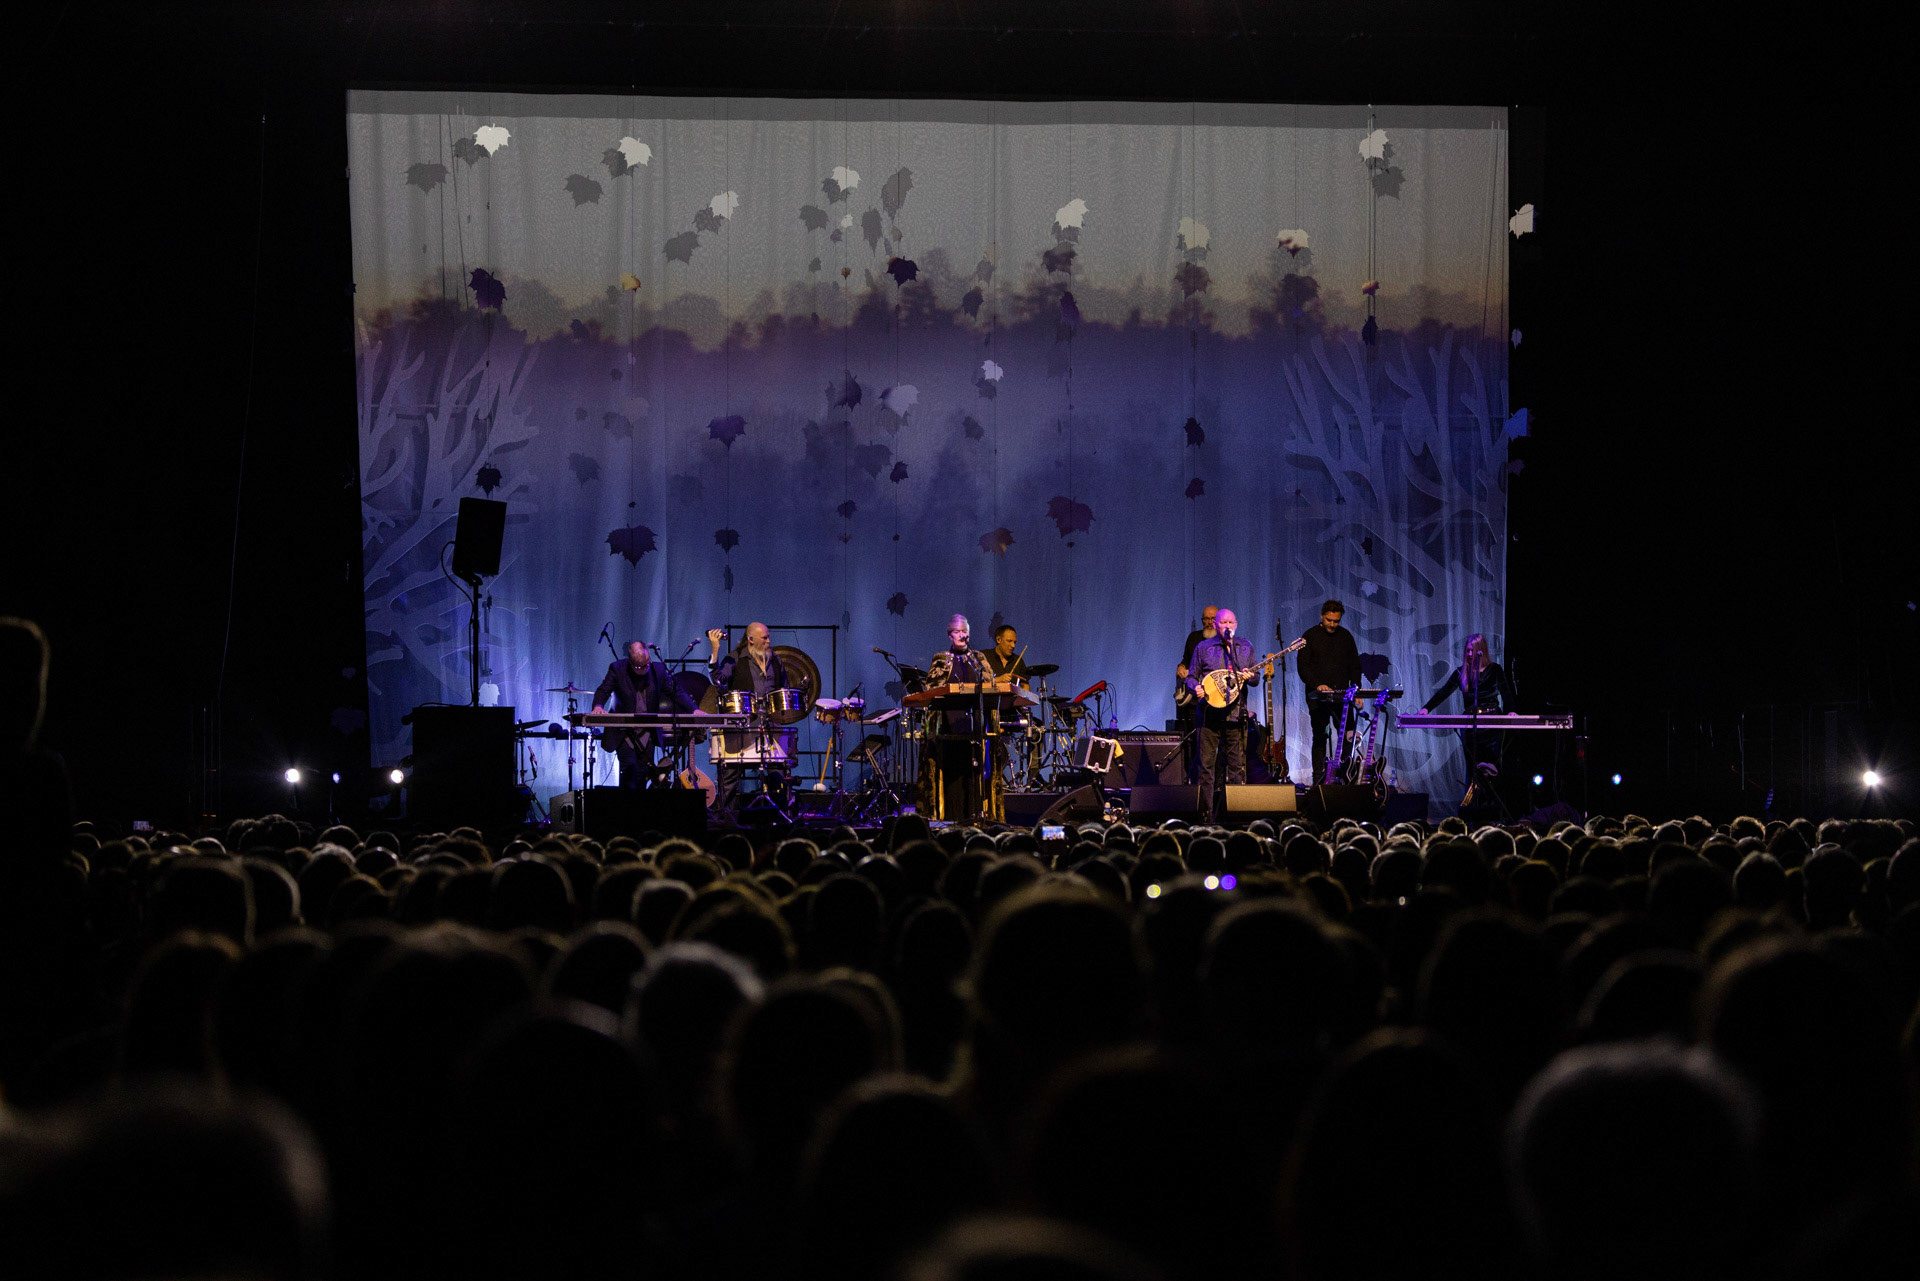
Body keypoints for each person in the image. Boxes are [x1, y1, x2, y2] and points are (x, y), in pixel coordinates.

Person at [1423, 633, 1515, 808]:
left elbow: (1506, 692)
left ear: (1481, 650)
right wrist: (1426, 709)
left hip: (1492, 724)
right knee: (1474, 769)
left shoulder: (1495, 670)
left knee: (1493, 768)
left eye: (1473, 650)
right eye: (1468, 651)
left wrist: (1511, 711)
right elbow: (1443, 692)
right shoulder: (1461, 672)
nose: (1470, 654)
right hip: (1471, 726)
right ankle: (1473, 809)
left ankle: (1494, 809)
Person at [591, 641, 699, 789]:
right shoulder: (618, 669)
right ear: (630, 661)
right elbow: (604, 690)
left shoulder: (658, 670)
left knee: (643, 772)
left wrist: (694, 709)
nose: (643, 669)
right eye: (638, 667)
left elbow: (676, 692)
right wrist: (598, 706)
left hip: (647, 731)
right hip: (624, 731)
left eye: (646, 665)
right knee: (629, 768)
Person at [1183, 609, 1259, 820]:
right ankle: (1206, 814)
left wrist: (1250, 676)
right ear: (1216, 625)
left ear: (1236, 624)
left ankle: (1235, 814)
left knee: (1237, 767)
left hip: (1236, 715)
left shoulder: (1245, 647)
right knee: (1206, 767)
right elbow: (1190, 677)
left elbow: (1256, 679)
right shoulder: (1203, 647)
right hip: (1209, 716)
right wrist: (1196, 688)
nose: (1227, 626)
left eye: (1230, 622)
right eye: (1223, 623)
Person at [708, 623, 789, 815]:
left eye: (768, 636)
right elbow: (718, 681)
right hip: (741, 727)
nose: (769, 641)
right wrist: (715, 651)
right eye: (764, 638)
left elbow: (783, 688)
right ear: (750, 639)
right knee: (730, 774)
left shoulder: (775, 659)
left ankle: (780, 815)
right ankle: (726, 817)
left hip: (769, 726)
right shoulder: (735, 658)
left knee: (779, 772)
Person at [920, 615, 996, 820]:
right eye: (957, 631)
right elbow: (932, 688)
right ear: (950, 635)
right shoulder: (941, 658)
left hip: (975, 726)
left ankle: (976, 818)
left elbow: (990, 683)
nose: (962, 635)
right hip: (950, 727)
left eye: (965, 631)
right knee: (954, 775)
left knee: (974, 773)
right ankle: (953, 818)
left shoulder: (978, 658)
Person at [1298, 600, 1362, 783]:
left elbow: (1355, 666)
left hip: (1343, 696)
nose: (1333, 624)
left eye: (1336, 621)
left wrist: (1356, 690)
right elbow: (1303, 667)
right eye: (1329, 620)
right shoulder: (1310, 635)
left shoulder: (1345, 636)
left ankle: (1345, 777)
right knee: (1320, 735)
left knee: (1348, 735)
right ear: (1322, 616)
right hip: (1317, 697)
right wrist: (1317, 684)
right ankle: (1318, 779)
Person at [983, 624, 1033, 786]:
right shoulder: (984, 658)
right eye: (1009, 641)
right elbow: (976, 683)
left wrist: (1022, 694)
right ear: (998, 640)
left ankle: (1031, 777)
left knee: (1037, 730)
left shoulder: (1018, 661)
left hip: (1011, 711)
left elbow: (1026, 687)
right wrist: (997, 680)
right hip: (988, 711)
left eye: (1015, 642)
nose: (1012, 645)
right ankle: (987, 774)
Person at [1176, 606, 1218, 782]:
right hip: (1196, 702)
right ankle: (1195, 782)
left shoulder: (1224, 640)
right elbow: (1185, 661)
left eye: (1213, 619)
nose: (1209, 622)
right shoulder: (1194, 638)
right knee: (1196, 741)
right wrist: (1181, 667)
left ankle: (1218, 782)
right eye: (1206, 619)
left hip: (1218, 700)